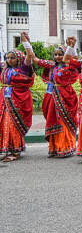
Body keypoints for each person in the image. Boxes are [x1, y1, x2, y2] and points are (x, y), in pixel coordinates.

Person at [24, 34, 78, 158]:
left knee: (63, 121)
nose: (58, 57)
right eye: (56, 54)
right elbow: (35, 59)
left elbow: (74, 59)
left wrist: (71, 47)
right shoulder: (51, 65)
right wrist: (27, 43)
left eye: (60, 54)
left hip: (65, 98)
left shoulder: (70, 67)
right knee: (53, 120)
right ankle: (55, 147)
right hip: (52, 98)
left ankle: (65, 146)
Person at [0, 33, 34, 162]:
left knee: (13, 124)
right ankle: (7, 148)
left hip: (18, 101)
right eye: (8, 58)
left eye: (12, 58)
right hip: (5, 101)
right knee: (4, 124)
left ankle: (15, 150)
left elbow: (30, 56)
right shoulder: (5, 69)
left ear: (18, 59)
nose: (9, 60)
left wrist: (26, 43)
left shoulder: (23, 69)